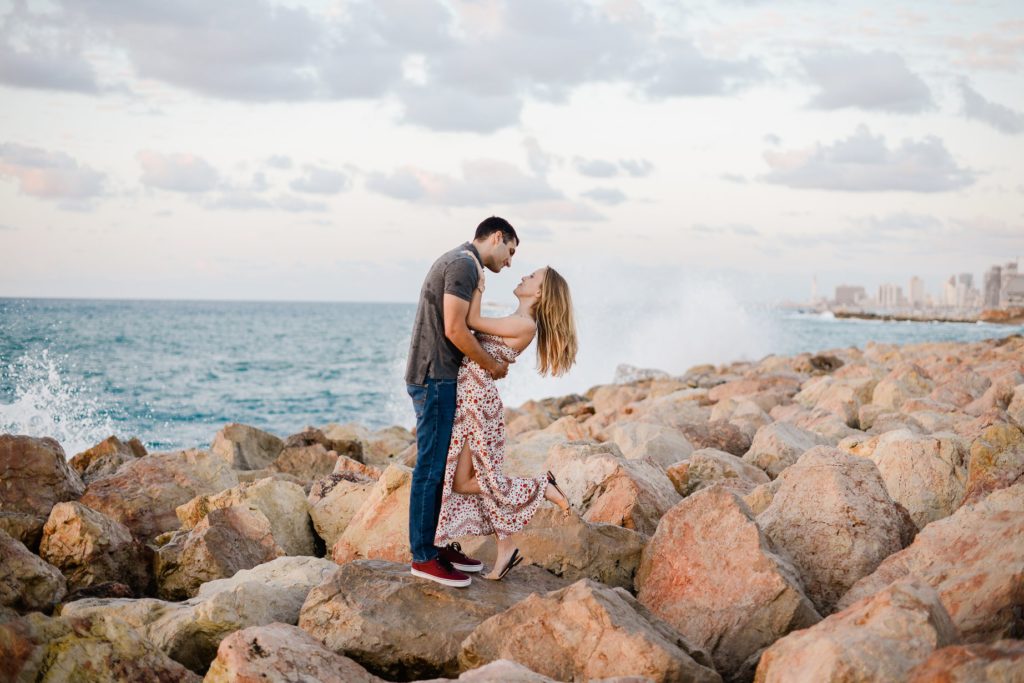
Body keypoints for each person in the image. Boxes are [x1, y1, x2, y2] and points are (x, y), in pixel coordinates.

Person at [433, 265, 578, 581]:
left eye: (532, 277)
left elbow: (470, 322)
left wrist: (478, 285)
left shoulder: (524, 323)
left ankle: (542, 486)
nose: (524, 276)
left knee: (476, 479)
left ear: (539, 293)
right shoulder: (517, 319)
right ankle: (506, 545)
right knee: (465, 481)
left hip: (478, 400)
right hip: (471, 396)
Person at [406, 217, 519, 588]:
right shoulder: (463, 264)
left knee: (440, 465)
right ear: (497, 238)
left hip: (436, 374)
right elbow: (455, 328)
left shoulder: (463, 263)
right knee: (430, 468)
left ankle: (434, 546)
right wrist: (491, 365)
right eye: (511, 251)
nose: (510, 262)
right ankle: (423, 557)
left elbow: (461, 322)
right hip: (435, 376)